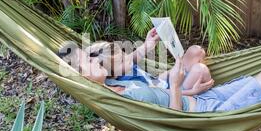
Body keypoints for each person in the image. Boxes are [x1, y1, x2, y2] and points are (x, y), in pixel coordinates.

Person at [58, 35, 261, 113]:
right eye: (86, 63)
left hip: (209, 99)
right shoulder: (118, 99)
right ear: (80, 77)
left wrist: (190, 89)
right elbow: (174, 119)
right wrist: (180, 85)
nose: (94, 61)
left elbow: (123, 59)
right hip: (215, 113)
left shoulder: (112, 81)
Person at [79, 28, 214, 96]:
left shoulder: (120, 68)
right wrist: (192, 92)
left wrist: (149, 43)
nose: (127, 56)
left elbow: (133, 56)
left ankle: (193, 73)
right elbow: (165, 94)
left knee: (196, 50)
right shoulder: (128, 86)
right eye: (122, 59)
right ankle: (197, 83)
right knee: (200, 69)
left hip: (162, 80)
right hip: (172, 91)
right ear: (113, 75)